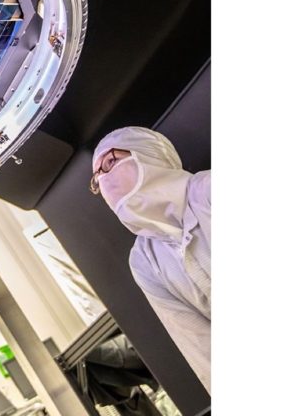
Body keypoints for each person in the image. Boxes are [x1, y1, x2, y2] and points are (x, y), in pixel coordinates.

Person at [90, 127, 211, 393]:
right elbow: (200, 346)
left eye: (110, 162)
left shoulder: (210, 193)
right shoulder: (145, 261)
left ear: (149, 153)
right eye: (97, 177)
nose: (105, 179)